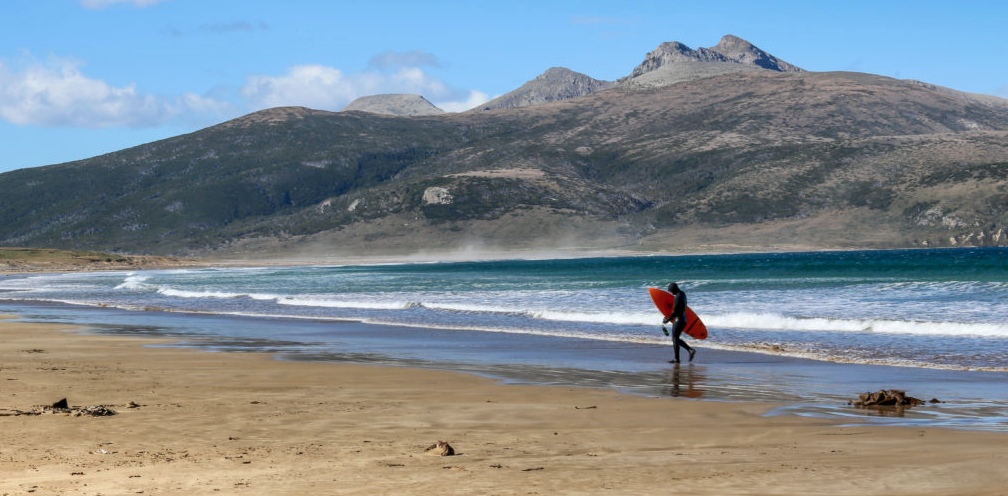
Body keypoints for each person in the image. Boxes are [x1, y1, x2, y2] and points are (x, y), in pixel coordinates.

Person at [662, 282, 696, 363]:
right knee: (676, 338)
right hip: (683, 318)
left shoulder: (677, 297)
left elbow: (675, 312)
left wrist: (667, 319)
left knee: (674, 339)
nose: (671, 293)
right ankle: (690, 350)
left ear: (673, 289)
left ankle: (677, 359)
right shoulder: (683, 294)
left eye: (671, 291)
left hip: (679, 319)